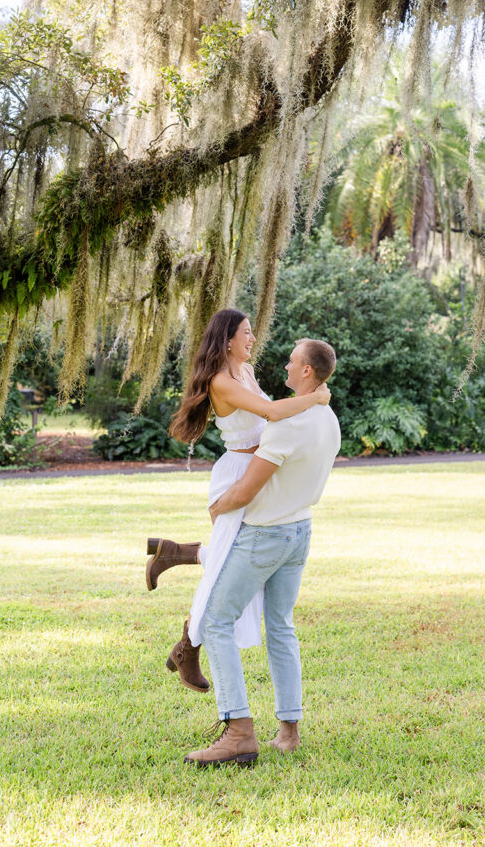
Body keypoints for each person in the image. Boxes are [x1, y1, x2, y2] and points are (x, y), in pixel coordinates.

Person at [145, 309, 330, 693]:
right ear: (227, 339)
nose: (253, 339)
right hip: (238, 475)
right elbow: (274, 412)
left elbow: (273, 421)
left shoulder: (245, 372)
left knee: (238, 562)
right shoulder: (220, 382)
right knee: (228, 567)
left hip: (259, 471)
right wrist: (316, 398)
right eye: (246, 333)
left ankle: (176, 556)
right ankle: (188, 648)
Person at [183, 337, 340, 768]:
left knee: (215, 621)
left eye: (292, 362)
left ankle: (238, 733)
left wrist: (216, 507)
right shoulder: (327, 418)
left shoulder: (285, 426)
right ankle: (289, 731)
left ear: (306, 371)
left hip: (265, 536)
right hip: (299, 531)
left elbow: (246, 490)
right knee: (281, 627)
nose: (285, 368)